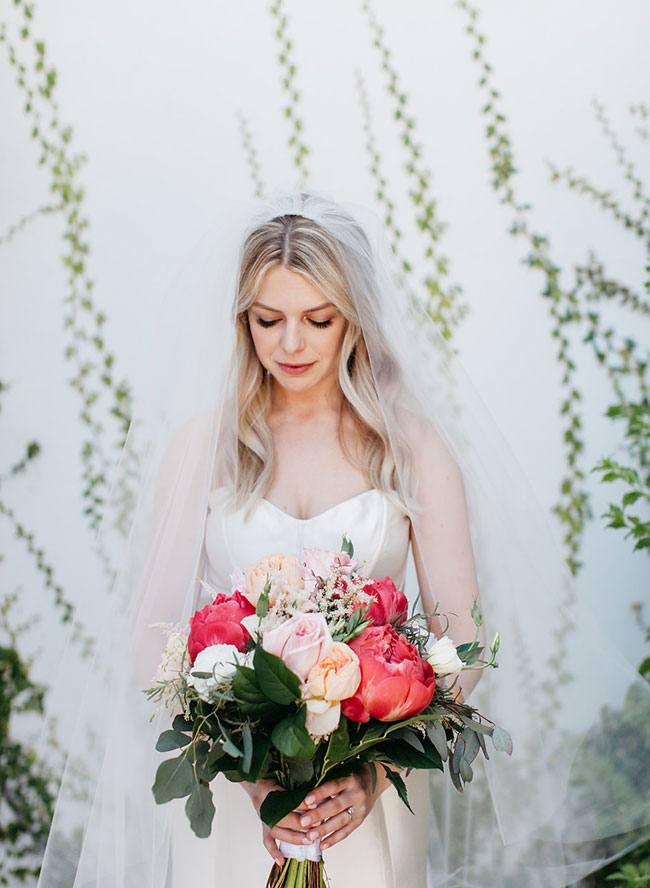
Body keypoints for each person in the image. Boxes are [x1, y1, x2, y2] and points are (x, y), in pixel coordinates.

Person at [38, 191, 650, 888]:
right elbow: (151, 635)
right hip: (240, 795)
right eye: (268, 320)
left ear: (354, 319)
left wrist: (372, 774)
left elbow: (460, 637)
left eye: (317, 320)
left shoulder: (412, 448)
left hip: (367, 800)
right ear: (243, 321)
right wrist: (252, 782)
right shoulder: (201, 448)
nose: (290, 344)